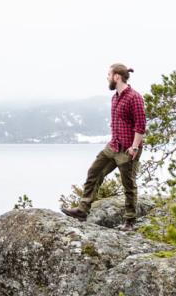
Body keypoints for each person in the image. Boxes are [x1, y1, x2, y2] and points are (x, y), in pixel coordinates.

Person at [62, 63, 146, 231]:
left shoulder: (134, 97)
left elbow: (141, 125)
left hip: (128, 149)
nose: (107, 78)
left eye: (109, 75)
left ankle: (130, 221)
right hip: (113, 146)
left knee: (128, 185)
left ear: (117, 77)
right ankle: (83, 210)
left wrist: (135, 148)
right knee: (94, 172)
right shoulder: (115, 97)